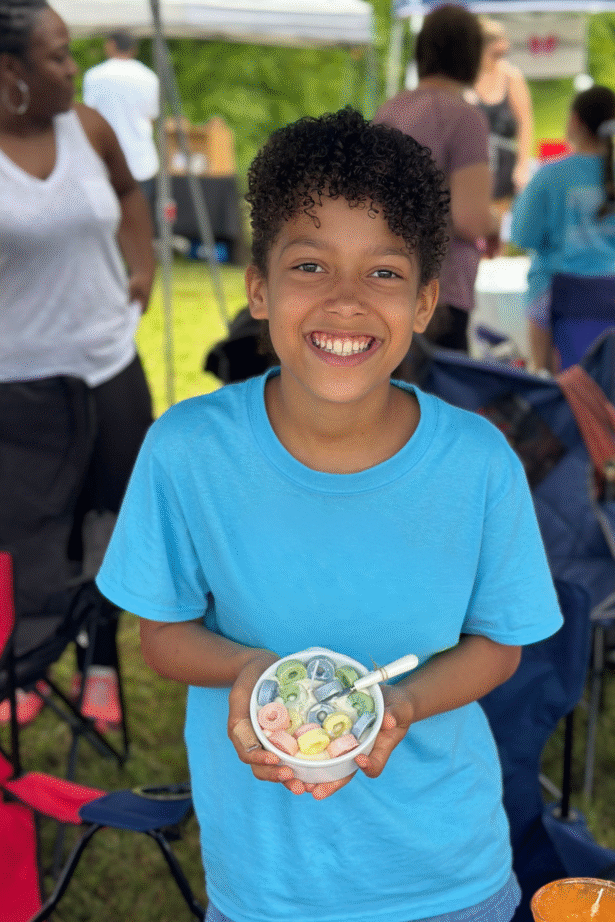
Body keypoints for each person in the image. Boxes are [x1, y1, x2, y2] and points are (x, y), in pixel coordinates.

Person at [95, 107, 563, 922]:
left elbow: (499, 643)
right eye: (310, 265)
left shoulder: (479, 462)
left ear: (425, 301)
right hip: (267, 884)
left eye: (383, 273)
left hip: (448, 877)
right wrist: (246, 670)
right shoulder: (187, 450)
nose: (346, 301)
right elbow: (162, 634)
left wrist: (404, 703)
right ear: (259, 289)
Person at [0, 0, 156, 728]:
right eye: (58, 57)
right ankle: (28, 664)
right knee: (30, 534)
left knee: (112, 524)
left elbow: (128, 192)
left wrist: (142, 265)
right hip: (20, 385)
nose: (73, 69)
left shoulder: (89, 128)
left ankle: (101, 660)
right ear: (11, 71)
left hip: (108, 366)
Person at [375, 3, 500, 353]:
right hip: (439, 292)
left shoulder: (390, 110)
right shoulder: (464, 118)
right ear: (471, 54)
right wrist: (493, 223)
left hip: (385, 282)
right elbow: (470, 219)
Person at [511, 85, 615, 372]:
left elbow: (522, 236)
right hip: (607, 296)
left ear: (575, 121)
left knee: (544, 376)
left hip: (552, 295)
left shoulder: (549, 175)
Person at [83, 29, 160, 222]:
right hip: (141, 160)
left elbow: (89, 117)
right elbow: (152, 117)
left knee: (108, 222)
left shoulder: (95, 76)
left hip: (105, 160)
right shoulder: (149, 77)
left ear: (111, 45)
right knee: (138, 221)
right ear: (133, 49)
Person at [470, 16, 534, 209]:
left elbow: (525, 122)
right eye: (494, 54)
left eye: (501, 54)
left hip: (503, 167)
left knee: (498, 218)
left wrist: (522, 166)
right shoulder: (465, 78)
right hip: (471, 166)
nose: (498, 59)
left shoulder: (511, 77)